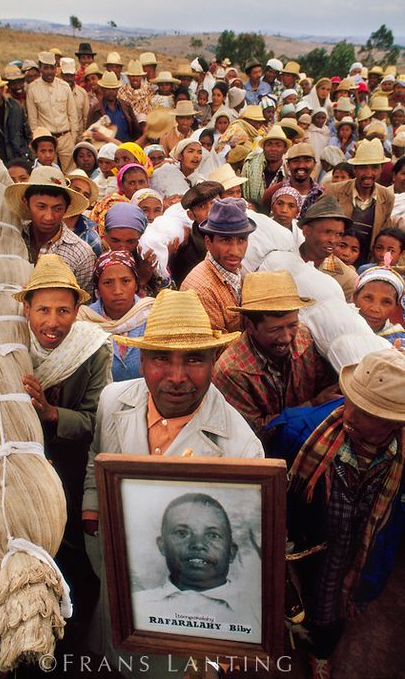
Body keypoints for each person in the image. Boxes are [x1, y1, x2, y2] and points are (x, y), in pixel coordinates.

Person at [82, 288, 263, 677]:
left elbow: (247, 555)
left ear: (216, 359)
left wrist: (229, 635)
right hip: (116, 588)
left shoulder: (241, 448)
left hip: (191, 627)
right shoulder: (113, 401)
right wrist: (92, 511)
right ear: (142, 359)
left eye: (194, 359)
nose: (177, 377)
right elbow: (96, 457)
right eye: (161, 358)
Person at [0, 255, 112, 635]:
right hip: (15, 470)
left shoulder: (92, 350)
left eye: (63, 310)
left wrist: (51, 412)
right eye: (42, 309)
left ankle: (74, 629)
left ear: (77, 311)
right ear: (26, 309)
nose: (52, 322)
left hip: (69, 471)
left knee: (69, 550)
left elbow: (96, 422)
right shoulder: (8, 345)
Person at [287, 348, 405, 679]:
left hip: (362, 551)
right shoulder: (305, 434)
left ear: (394, 423)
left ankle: (322, 646)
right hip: (314, 544)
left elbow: (393, 526)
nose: (349, 413)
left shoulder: (399, 460)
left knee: (344, 599)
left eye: (368, 412)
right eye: (350, 399)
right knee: (312, 597)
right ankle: (317, 648)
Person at [212, 271, 338, 443]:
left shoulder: (305, 338)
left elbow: (325, 387)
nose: (287, 337)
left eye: (292, 325)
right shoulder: (230, 372)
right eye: (274, 330)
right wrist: (313, 405)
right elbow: (256, 433)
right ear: (250, 325)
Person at [131, 493, 261, 639]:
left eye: (213, 535)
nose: (198, 545)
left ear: (231, 552)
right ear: (162, 546)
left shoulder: (258, 611)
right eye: (182, 533)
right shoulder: (134, 607)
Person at [5, 165, 96, 295]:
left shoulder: (82, 254)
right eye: (41, 206)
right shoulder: (11, 238)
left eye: (57, 208)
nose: (49, 217)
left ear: (66, 208)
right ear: (26, 202)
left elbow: (83, 305)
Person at [180, 198, 257, 333]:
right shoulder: (202, 290)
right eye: (226, 240)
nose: (235, 251)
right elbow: (218, 349)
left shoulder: (237, 270)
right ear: (208, 243)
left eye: (241, 240)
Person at [82, 250, 154, 381]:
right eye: (108, 283)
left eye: (125, 281)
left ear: (136, 284)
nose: (118, 291)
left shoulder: (152, 315)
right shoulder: (84, 321)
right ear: (97, 289)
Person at [325, 139, 395, 266]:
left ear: (382, 169)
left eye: (374, 168)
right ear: (354, 169)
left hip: (365, 264)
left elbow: (383, 233)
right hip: (332, 262)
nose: (368, 174)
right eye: (363, 167)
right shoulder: (334, 191)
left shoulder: (387, 197)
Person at [298, 194, 358, 301]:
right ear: (306, 231)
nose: (333, 240)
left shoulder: (347, 279)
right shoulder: (284, 258)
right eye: (327, 232)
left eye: (339, 234)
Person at [26, 51, 78, 173]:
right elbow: (33, 120)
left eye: (52, 67)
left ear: (56, 68)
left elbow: (72, 115)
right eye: (46, 68)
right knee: (49, 174)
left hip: (66, 138)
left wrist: (73, 137)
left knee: (70, 173)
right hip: (46, 141)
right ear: (40, 69)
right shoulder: (33, 89)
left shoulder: (64, 86)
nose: (49, 71)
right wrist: (38, 141)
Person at [169, 181, 223, 288]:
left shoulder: (235, 230)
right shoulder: (186, 252)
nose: (210, 211)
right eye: (202, 206)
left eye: (214, 203)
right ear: (191, 215)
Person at [263, 143, 323, 216]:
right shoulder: (272, 193)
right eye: (295, 161)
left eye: (307, 161)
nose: (301, 165)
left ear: (314, 164)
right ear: (288, 165)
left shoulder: (322, 194)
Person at [241, 125, 289, 211]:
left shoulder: (288, 172)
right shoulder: (250, 166)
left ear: (285, 149)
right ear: (263, 148)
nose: (273, 149)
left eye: (278, 145)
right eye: (269, 144)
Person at [353, 266, 404, 345]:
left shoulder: (398, 341)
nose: (375, 309)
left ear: (395, 307)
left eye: (386, 302)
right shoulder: (338, 325)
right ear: (355, 298)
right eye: (368, 298)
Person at [87, 71, 141, 143]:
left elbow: (136, 131)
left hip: (125, 148)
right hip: (104, 149)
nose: (111, 91)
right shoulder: (95, 110)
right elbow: (89, 134)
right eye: (108, 89)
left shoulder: (126, 107)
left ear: (118, 89)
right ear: (102, 89)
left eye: (113, 89)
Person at [64, 169, 102, 256]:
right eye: (76, 190)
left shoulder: (91, 237)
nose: (80, 196)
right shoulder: (47, 222)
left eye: (85, 195)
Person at [60, 57, 90, 141]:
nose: (69, 79)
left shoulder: (82, 93)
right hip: (61, 138)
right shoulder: (55, 92)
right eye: (66, 75)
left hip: (78, 138)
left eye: (71, 75)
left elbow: (85, 118)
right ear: (61, 75)